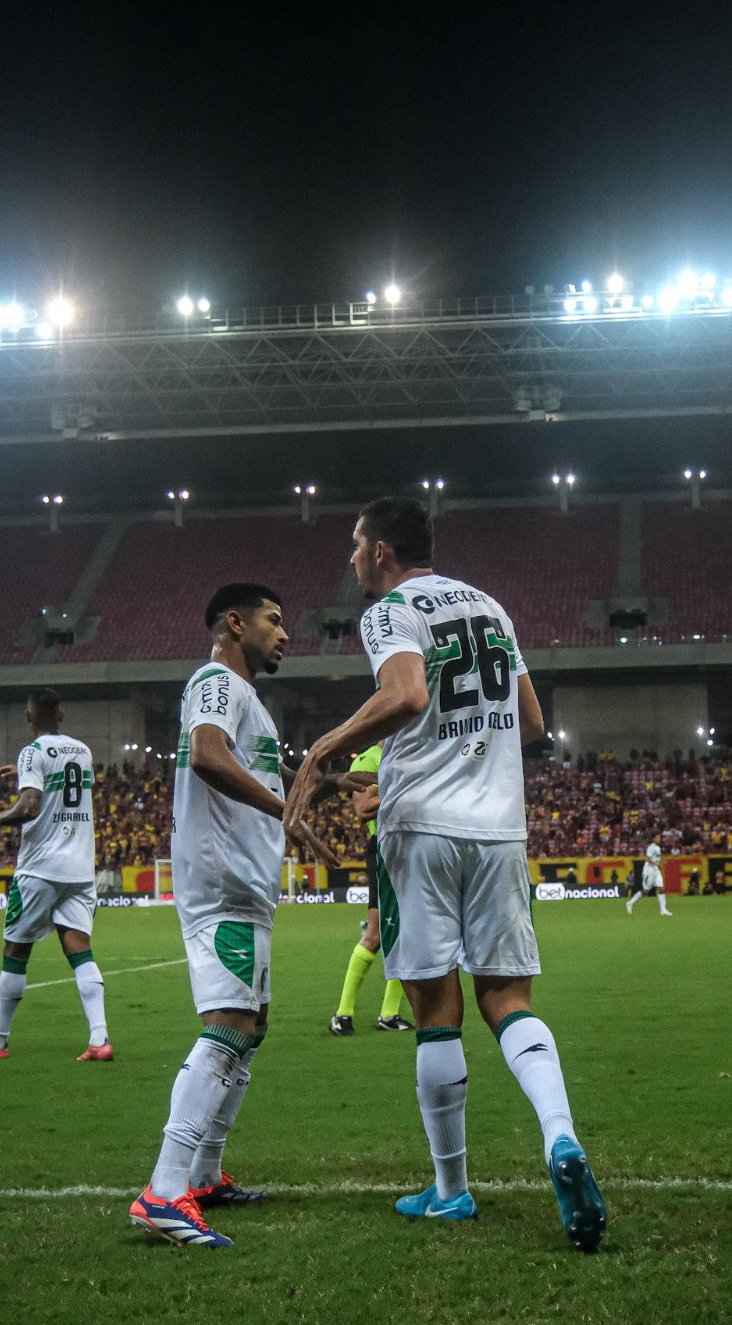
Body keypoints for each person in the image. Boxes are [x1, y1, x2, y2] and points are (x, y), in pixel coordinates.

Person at [284, 496, 606, 1252]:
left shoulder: (389, 610)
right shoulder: (491, 607)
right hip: (498, 829)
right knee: (507, 996)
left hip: (420, 832)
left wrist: (323, 748)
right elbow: (530, 725)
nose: (353, 560)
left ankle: (451, 1190)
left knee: (436, 1008)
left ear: (384, 552)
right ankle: (560, 1136)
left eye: (358, 546)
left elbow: (405, 696)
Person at [129, 584, 343, 1247]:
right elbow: (207, 755)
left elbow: (264, 774)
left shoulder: (249, 700)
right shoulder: (216, 682)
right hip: (222, 881)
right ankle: (164, 1192)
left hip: (247, 887)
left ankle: (205, 1174)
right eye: (273, 621)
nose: (285, 634)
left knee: (252, 1027)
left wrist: (323, 794)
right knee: (228, 1025)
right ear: (234, 622)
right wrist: (288, 812)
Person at [0, 689, 111, 1062]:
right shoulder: (83, 751)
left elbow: (29, 807)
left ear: (29, 717)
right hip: (79, 869)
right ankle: (100, 1040)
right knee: (80, 949)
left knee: (15, 950)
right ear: (61, 714)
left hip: (41, 867)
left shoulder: (32, 752)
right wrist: (27, 773)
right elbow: (65, 783)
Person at [329, 741, 412, 1034]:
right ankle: (342, 1014)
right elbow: (364, 808)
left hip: (412, 849)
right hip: (384, 850)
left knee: (408, 935)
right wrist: (407, 789)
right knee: (375, 934)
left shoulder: (407, 751)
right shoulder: (368, 759)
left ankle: (389, 1015)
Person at [626, 836, 672, 916]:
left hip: (656, 871)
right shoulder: (651, 847)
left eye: (659, 838)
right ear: (653, 839)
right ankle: (630, 903)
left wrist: (660, 863)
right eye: (657, 838)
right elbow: (647, 858)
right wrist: (656, 863)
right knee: (645, 890)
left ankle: (663, 910)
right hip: (649, 872)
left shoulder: (658, 848)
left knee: (661, 888)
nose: (659, 839)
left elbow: (656, 859)